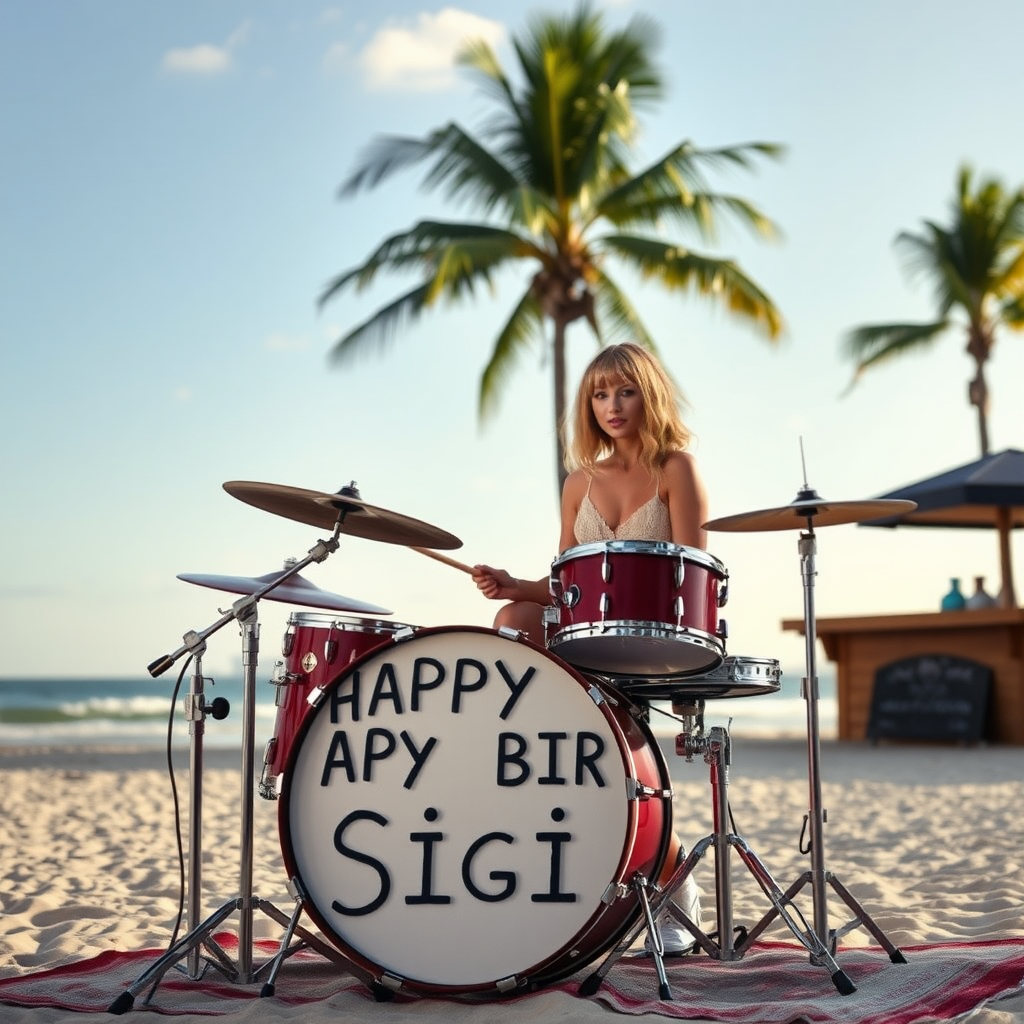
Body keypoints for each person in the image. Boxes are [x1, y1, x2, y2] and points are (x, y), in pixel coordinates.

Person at [472, 342, 707, 955]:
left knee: (623, 773)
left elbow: (695, 573)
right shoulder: (579, 481)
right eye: (599, 394)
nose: (611, 405)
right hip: (584, 633)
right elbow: (564, 584)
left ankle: (675, 881)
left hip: (651, 639)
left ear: (647, 395)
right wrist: (515, 585)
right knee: (512, 617)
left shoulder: (675, 469)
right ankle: (525, 733)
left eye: (624, 391)